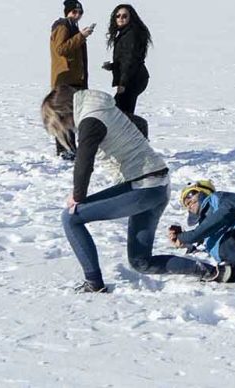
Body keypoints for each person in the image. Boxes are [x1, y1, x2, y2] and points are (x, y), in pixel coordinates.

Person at [61, 87, 221, 293]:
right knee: (140, 261)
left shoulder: (90, 120)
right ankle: (211, 272)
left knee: (70, 217)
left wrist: (77, 195)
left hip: (144, 187)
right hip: (158, 185)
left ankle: (94, 283)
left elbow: (84, 161)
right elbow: (139, 123)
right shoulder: (105, 109)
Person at [43, 0, 93, 160]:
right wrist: (81, 36)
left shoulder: (72, 27)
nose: (77, 15)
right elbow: (61, 49)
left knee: (71, 116)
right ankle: (65, 150)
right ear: (67, 12)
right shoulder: (63, 26)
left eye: (80, 12)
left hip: (73, 79)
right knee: (64, 117)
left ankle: (70, 149)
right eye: (74, 12)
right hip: (65, 80)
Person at [103, 4, 152, 116]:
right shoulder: (125, 33)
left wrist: (123, 83)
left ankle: (132, 132)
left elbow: (130, 61)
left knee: (121, 114)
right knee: (121, 112)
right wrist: (113, 66)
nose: (121, 18)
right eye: (118, 16)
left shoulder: (131, 34)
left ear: (131, 18)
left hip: (133, 79)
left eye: (124, 16)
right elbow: (125, 59)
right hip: (133, 77)